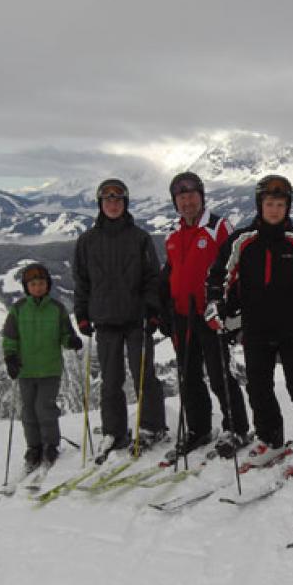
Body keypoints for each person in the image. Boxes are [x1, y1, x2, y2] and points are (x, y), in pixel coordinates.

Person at [205, 174, 293, 471]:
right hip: (255, 327)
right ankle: (271, 440)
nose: (274, 210)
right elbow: (219, 276)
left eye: (280, 204)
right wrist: (216, 305)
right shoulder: (243, 241)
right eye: (269, 203)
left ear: (288, 208)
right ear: (260, 205)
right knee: (259, 387)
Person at [160, 171, 252, 459]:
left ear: (201, 197)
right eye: (181, 197)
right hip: (182, 315)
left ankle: (236, 427)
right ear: (176, 203)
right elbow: (171, 273)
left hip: (210, 314)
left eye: (191, 195)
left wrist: (230, 306)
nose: (187, 201)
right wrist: (164, 307)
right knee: (188, 377)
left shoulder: (218, 227)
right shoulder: (173, 235)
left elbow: (235, 268)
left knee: (218, 373)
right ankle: (199, 428)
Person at [73, 178, 168, 457]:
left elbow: (153, 278)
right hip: (104, 320)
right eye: (107, 200)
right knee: (111, 379)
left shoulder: (140, 238)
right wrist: (81, 314)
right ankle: (114, 432)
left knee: (144, 375)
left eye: (117, 199)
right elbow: (81, 280)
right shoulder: (87, 241)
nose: (112, 204)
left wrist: (152, 311)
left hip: (136, 318)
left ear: (125, 203)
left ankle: (152, 426)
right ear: (100, 205)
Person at [1, 263, 83, 472]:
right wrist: (10, 357)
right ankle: (34, 447)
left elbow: (65, 334)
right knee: (28, 411)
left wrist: (71, 340)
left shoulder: (57, 309)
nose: (38, 287)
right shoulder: (18, 310)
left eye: (41, 283)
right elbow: (10, 337)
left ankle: (50, 445)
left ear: (48, 285)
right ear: (26, 287)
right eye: (33, 284)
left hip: (49, 369)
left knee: (44, 408)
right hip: (25, 370)